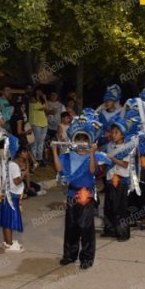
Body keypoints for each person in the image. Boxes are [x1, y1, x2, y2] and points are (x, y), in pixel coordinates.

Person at [52, 113, 102, 270]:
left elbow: (93, 171)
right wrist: (54, 151)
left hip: (86, 195)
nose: (81, 145)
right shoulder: (67, 156)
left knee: (86, 227)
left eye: (84, 141)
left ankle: (86, 258)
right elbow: (59, 169)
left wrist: (92, 153)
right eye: (78, 141)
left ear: (89, 142)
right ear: (73, 142)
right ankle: (69, 255)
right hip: (71, 194)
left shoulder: (91, 157)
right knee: (71, 226)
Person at [102, 116, 131, 241]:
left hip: (121, 180)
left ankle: (123, 233)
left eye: (116, 133)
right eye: (112, 132)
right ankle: (110, 229)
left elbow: (125, 164)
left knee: (120, 208)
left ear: (123, 134)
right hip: (109, 180)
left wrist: (111, 159)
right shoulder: (109, 146)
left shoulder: (127, 148)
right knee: (108, 206)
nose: (113, 135)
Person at [0, 147, 28, 252]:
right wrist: (23, 174)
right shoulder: (14, 166)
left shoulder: (8, 164)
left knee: (6, 220)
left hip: (6, 194)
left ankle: (7, 243)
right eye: (25, 152)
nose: (27, 154)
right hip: (11, 196)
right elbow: (16, 182)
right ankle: (10, 245)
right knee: (9, 221)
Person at [29, 88, 48, 165]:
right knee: (35, 141)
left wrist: (44, 99)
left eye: (40, 91)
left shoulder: (41, 100)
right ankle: (33, 159)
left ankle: (39, 158)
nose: (39, 92)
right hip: (35, 123)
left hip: (44, 123)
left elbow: (46, 107)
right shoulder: (32, 99)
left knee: (41, 142)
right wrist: (44, 99)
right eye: (38, 90)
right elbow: (44, 107)